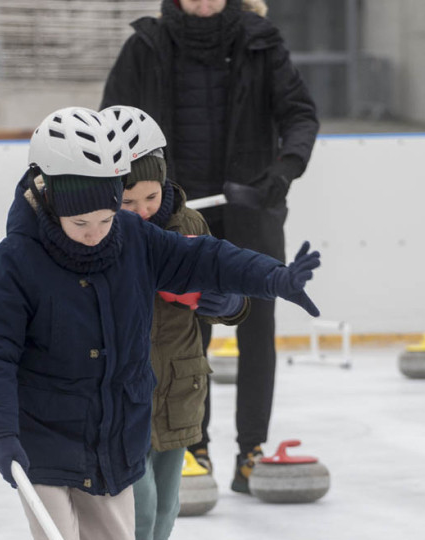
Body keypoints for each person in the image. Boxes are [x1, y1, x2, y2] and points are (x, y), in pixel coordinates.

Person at [0, 107, 321, 540]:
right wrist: (1, 433)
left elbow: (207, 259)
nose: (97, 231)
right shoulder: (17, 260)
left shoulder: (132, 235)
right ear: (50, 199)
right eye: (82, 222)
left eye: (106, 216)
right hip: (42, 438)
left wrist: (274, 277)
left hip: (115, 432)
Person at [101, 0, 319, 493]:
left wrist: (282, 171)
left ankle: (252, 449)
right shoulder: (146, 46)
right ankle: (192, 445)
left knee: (256, 323)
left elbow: (300, 116)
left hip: (250, 205)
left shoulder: (261, 41)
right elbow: (108, 126)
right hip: (172, 212)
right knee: (184, 325)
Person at [100, 104, 247, 540]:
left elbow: (229, 298)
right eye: (127, 201)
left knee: (163, 507)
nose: (139, 211)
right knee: (136, 503)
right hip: (121, 390)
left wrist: (219, 297)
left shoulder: (188, 226)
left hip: (179, 386)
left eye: (149, 198)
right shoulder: (96, 231)